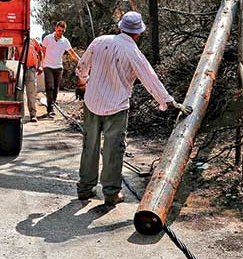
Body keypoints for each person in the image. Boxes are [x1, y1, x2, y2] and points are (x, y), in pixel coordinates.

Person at [75, 11, 189, 206]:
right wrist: (169, 102)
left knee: (89, 146)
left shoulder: (99, 41)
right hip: (116, 107)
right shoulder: (133, 53)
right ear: (138, 33)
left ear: (120, 27)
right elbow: (150, 79)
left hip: (92, 102)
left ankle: (85, 189)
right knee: (113, 150)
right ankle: (111, 193)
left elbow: (82, 65)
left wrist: (83, 81)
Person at [40, 21, 80, 118]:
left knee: (56, 88)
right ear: (55, 28)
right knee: (50, 86)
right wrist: (41, 64)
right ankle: (50, 108)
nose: (60, 33)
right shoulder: (47, 38)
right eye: (59, 30)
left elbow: (71, 52)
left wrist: (81, 60)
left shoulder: (64, 41)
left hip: (58, 66)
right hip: (48, 65)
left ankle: (53, 103)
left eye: (62, 31)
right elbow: (42, 52)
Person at [22, 37, 43, 122]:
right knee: (19, 93)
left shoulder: (33, 41)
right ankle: (19, 115)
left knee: (31, 93)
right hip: (19, 68)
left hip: (31, 69)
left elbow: (40, 52)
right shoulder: (16, 38)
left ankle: (33, 115)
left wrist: (40, 65)